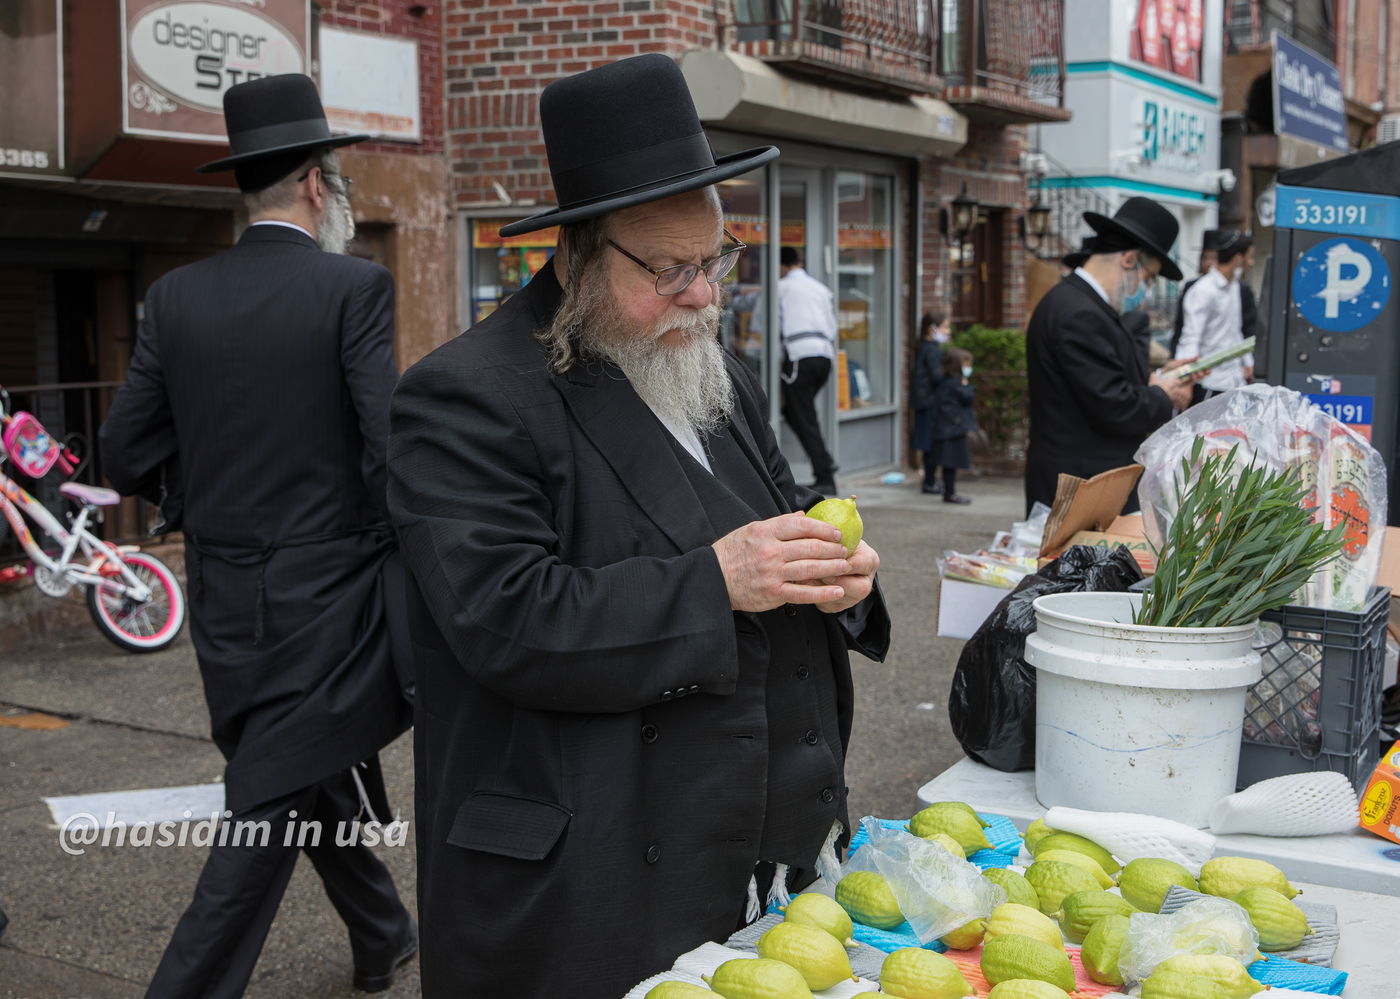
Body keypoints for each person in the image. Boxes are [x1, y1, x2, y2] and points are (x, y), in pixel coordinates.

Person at [386, 54, 890, 999]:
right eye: (669, 270)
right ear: (577, 252)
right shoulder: (466, 395)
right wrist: (718, 579)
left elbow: (781, 536)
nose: (702, 295)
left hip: (762, 860)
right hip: (601, 878)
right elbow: (504, 618)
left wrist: (839, 575)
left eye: (715, 260)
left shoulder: (719, 372)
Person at [99, 74, 416, 998]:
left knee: (282, 774)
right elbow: (386, 444)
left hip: (225, 604)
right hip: (331, 602)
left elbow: (124, 454)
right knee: (268, 802)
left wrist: (198, 489)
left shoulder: (176, 297)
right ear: (319, 184)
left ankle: (383, 929)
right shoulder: (353, 286)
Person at [1025, 197, 1201, 514]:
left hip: (1084, 479)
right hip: (1081, 485)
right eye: (1150, 278)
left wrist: (1156, 379)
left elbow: (1101, 379)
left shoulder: (1083, 304)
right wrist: (1162, 393)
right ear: (1129, 260)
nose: (1146, 289)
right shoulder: (1080, 313)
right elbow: (1113, 406)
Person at [777, 245, 841, 494]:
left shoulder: (781, 288)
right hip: (823, 355)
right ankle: (824, 463)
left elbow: (766, 323)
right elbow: (832, 326)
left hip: (798, 357)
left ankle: (825, 473)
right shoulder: (820, 288)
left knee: (803, 416)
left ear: (781, 266)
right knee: (798, 413)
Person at [1175, 230, 1255, 401]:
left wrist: (1247, 363)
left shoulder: (1234, 286)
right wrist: (1185, 383)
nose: (1251, 262)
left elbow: (1236, 331)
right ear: (1237, 259)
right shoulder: (1203, 290)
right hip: (1207, 382)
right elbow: (1190, 337)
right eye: (1249, 257)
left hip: (1233, 380)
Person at [927, 347, 976, 505]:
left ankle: (945, 489)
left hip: (945, 428)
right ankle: (950, 493)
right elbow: (967, 397)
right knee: (950, 463)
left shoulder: (942, 383)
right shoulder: (956, 384)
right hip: (952, 430)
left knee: (946, 462)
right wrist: (966, 384)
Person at [910, 311, 950, 494]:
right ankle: (930, 481)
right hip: (930, 403)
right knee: (932, 444)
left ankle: (930, 480)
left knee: (929, 444)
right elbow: (936, 376)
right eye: (945, 327)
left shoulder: (924, 348)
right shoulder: (932, 350)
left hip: (924, 402)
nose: (948, 331)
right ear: (932, 329)